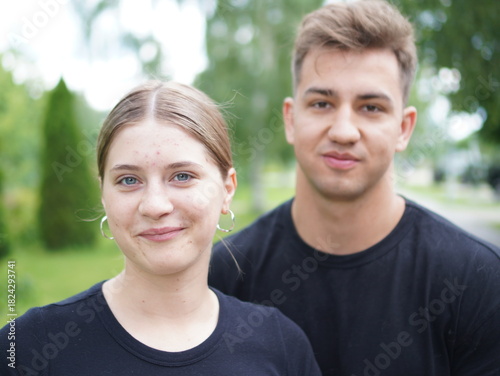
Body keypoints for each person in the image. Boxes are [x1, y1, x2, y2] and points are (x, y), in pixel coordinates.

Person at [209, 1, 500, 375]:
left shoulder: (479, 281)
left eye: (371, 107)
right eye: (321, 103)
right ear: (291, 119)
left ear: (404, 128)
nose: (344, 131)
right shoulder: (223, 277)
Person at [0, 81, 321, 375]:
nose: (155, 205)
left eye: (182, 176)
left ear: (228, 189)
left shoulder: (280, 346)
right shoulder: (28, 347)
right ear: (103, 194)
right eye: (128, 180)